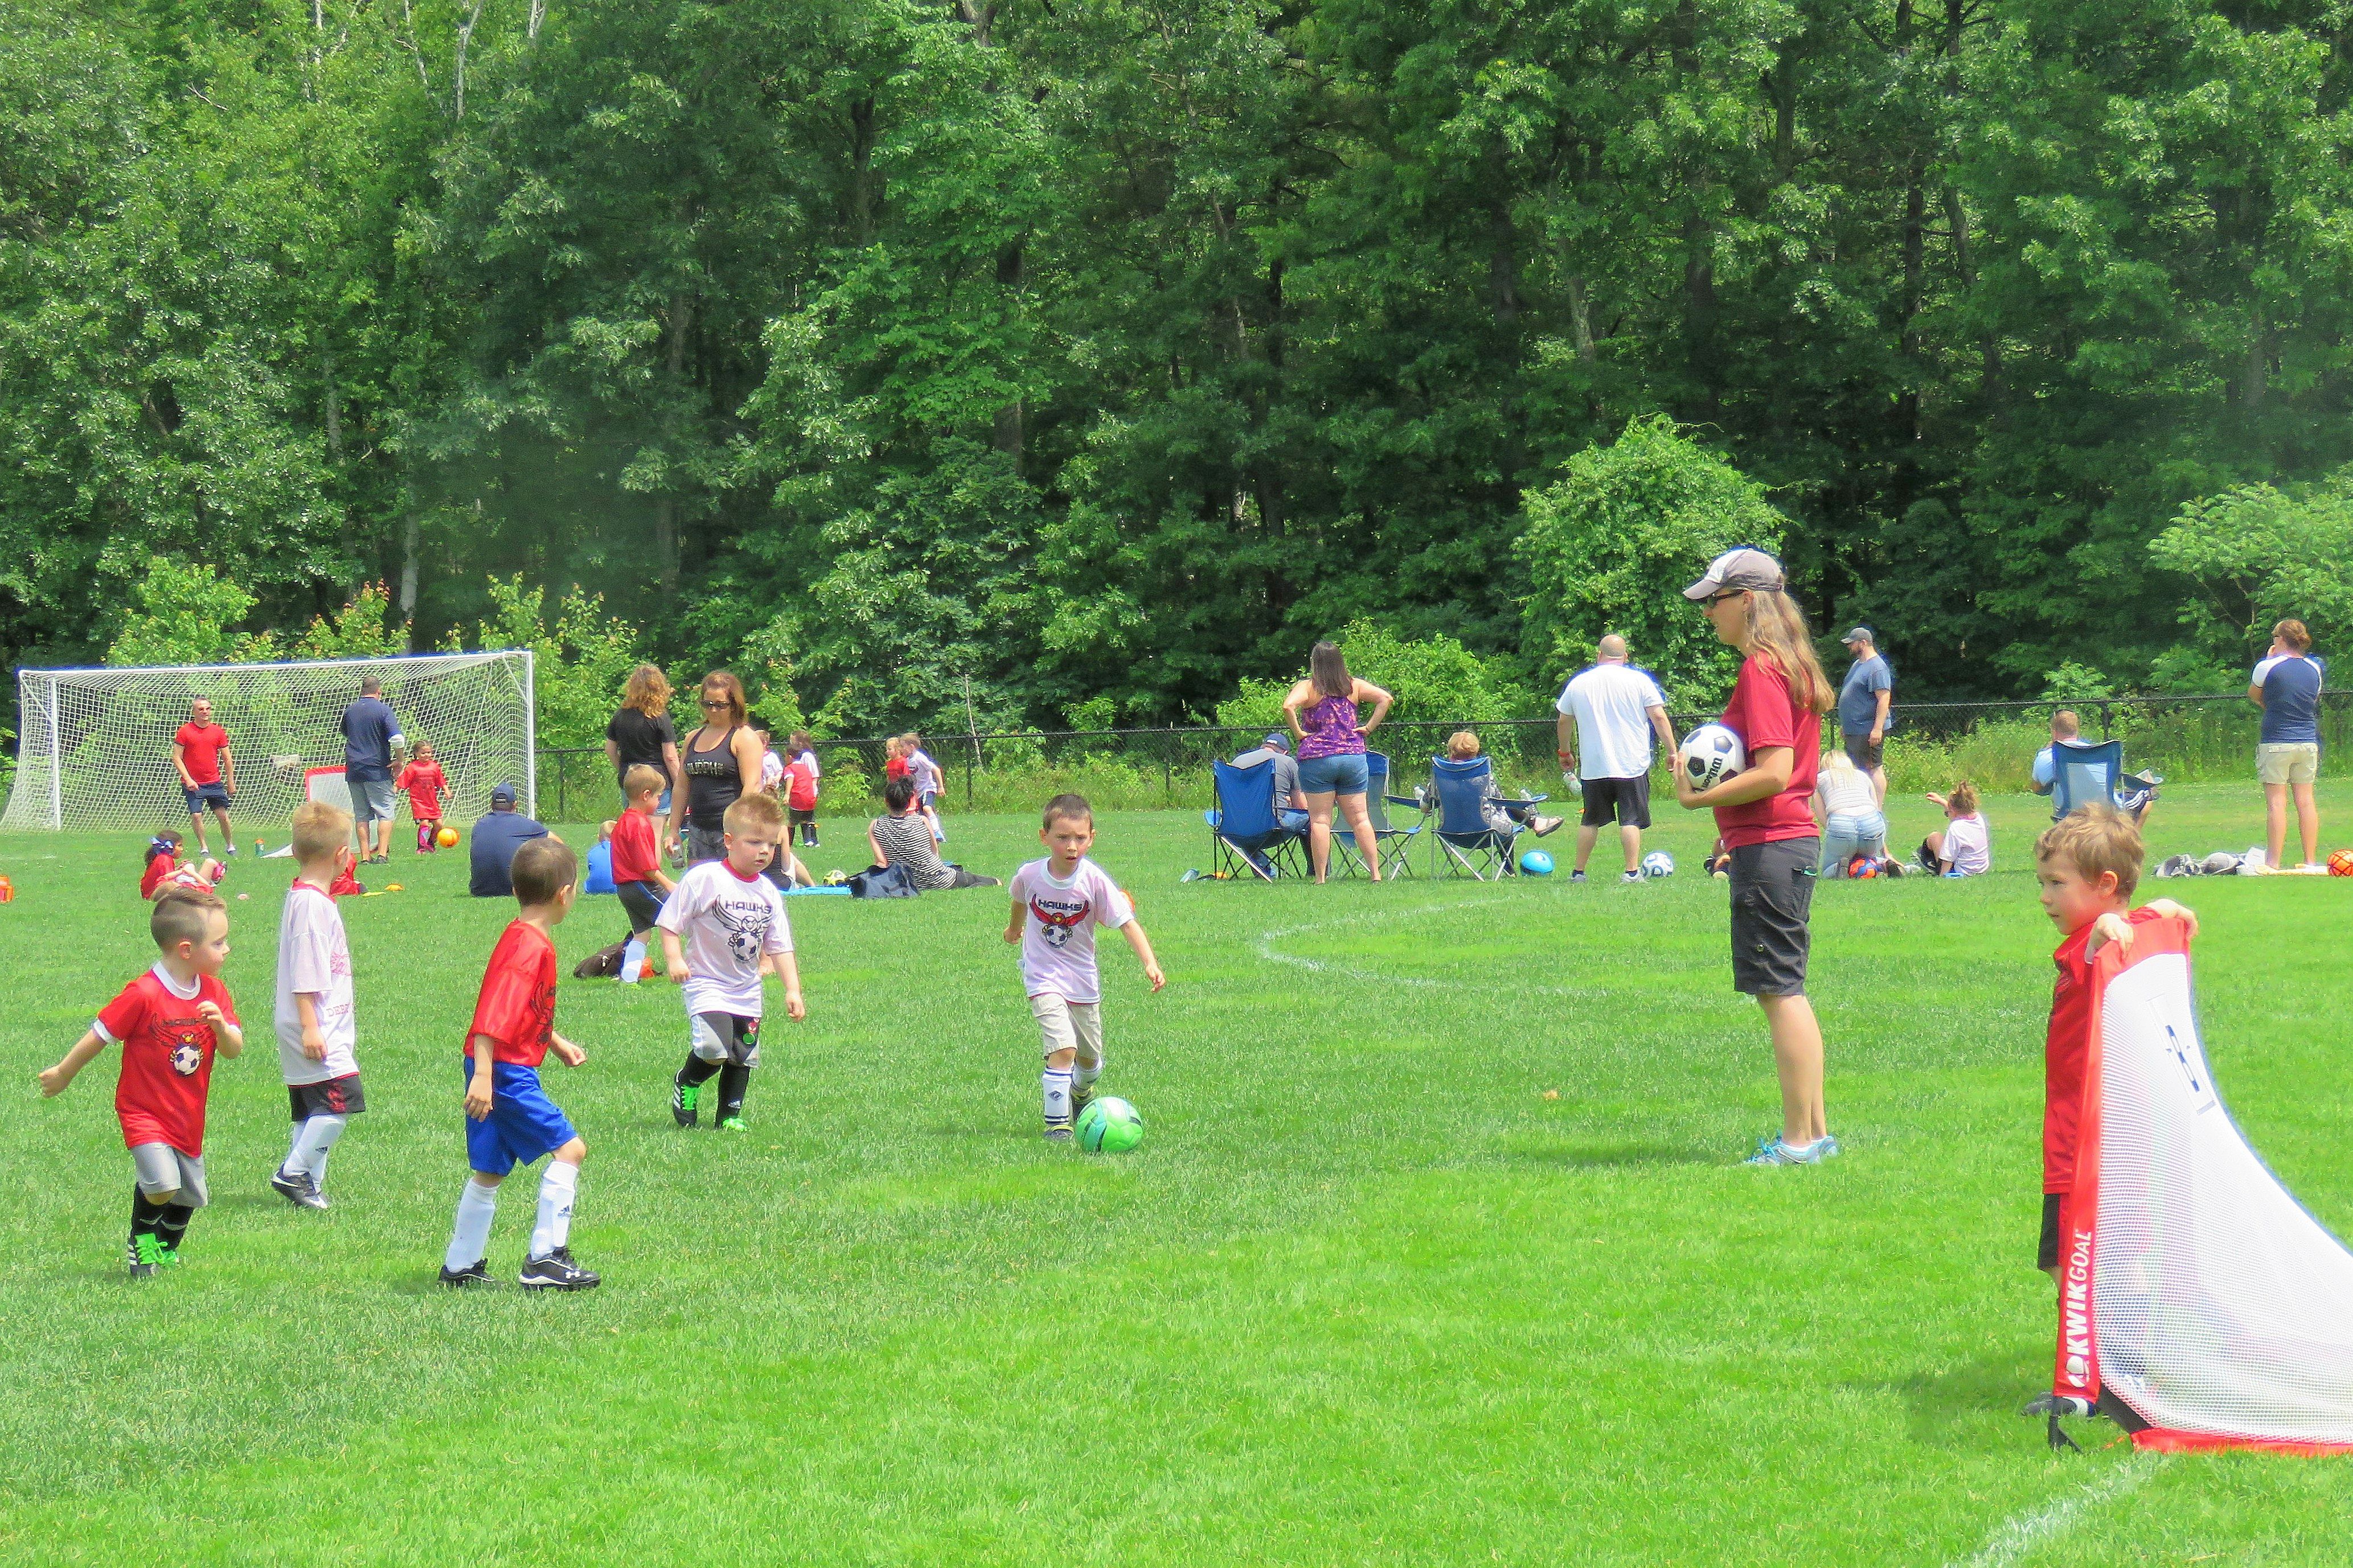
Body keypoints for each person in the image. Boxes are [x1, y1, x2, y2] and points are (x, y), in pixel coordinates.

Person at [1672, 547, 1839, 1166]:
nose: (1707, 613)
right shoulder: (1788, 666)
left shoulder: (1761, 669)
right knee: (1788, 989)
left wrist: (1697, 798)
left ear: (1746, 601)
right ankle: (1815, 1135)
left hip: (1770, 847)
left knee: (1780, 993)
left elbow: (1774, 772)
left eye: (1713, 601)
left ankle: (1797, 1143)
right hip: (1785, 844)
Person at [37, 888, 244, 1278]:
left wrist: (221, 1027)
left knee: (189, 1197)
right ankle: (141, 1241)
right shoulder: (144, 994)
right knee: (162, 1184)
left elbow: (234, 1050)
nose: (227, 949)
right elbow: (100, 1035)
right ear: (186, 949)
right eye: (219, 943)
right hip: (143, 1111)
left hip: (188, 1115)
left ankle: (164, 1250)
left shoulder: (214, 992)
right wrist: (64, 1072)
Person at [2031, 809, 2195, 1284]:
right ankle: (2125, 1325)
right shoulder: (2119, 937)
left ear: (2105, 884)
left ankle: (2106, 1333)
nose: (2044, 897)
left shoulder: (2095, 944)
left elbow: (2094, 961)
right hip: (2121, 1137)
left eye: (2057, 883)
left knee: (2072, 1266)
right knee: (2118, 1256)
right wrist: (2158, 910)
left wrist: (2109, 927)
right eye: (2042, 883)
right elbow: (2122, 930)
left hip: (2080, 1143)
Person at [439, 836, 600, 1291]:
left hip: (495, 1066)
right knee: (570, 1150)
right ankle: (545, 1260)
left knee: (491, 1170)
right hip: (504, 1073)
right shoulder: (531, 948)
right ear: (565, 894)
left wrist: (554, 1042)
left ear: (516, 891)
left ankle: (460, 1265)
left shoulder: (521, 936)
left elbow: (520, 1009)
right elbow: (493, 1012)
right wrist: (485, 1076)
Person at [1005, 794, 1165, 1140]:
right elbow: (1019, 900)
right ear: (1044, 837)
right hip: (1042, 975)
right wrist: (1015, 929)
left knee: (1090, 1062)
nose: (1072, 846)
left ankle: (1081, 1093)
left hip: (1082, 979)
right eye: (1062, 837)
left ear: (1092, 838)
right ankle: (1058, 1126)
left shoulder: (1094, 880)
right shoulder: (1030, 875)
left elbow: (1126, 923)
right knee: (1063, 1048)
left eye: (1080, 838)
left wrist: (1150, 963)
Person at [657, 793, 806, 1132]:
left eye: (771, 844)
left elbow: (781, 946)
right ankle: (688, 1081)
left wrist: (793, 990)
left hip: (747, 988)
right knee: (713, 1048)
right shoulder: (705, 879)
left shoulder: (768, 893)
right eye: (754, 842)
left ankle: (729, 1116)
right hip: (707, 982)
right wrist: (675, 959)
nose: (764, 851)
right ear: (729, 841)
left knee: (743, 1054)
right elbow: (670, 922)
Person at [268, 802, 364, 1213]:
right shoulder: (311, 905)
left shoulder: (307, 897)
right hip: (316, 1024)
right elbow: (306, 970)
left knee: (312, 1111)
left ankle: (310, 1185)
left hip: (312, 1022)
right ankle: (293, 1172)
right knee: (338, 1104)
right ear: (343, 855)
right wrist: (311, 1026)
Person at [1554, 634, 1676, 884]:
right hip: (1631, 764)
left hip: (1594, 765)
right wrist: (1672, 751)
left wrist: (1565, 752)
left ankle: (1579, 873)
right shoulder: (1639, 681)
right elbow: (1659, 717)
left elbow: (1564, 720)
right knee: (1630, 819)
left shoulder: (1579, 683)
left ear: (1599, 655)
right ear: (1626, 657)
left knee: (1590, 820)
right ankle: (1631, 873)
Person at [1282, 641, 1394, 883]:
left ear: (1315, 662)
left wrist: (1299, 733)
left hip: (1318, 759)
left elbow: (1288, 706)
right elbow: (1385, 698)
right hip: (1353, 757)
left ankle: (1321, 878)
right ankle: (1375, 873)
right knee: (1361, 818)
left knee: (1320, 820)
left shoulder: (1308, 687)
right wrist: (1368, 727)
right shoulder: (1354, 686)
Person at [2250, 618, 2325, 873]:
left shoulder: (2266, 666)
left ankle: (2273, 862)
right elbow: (2311, 699)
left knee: (2277, 803)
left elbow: (2255, 695)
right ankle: (2310, 861)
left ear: (2281, 639)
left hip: (2276, 741)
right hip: (2307, 741)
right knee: (2306, 801)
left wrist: (2269, 659)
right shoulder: (2314, 668)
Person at [669, 671, 765, 867]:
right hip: (698, 829)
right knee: (700, 882)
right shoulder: (692, 738)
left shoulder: (744, 737)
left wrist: (738, 828)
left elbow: (752, 787)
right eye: (708, 704)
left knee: (731, 883)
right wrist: (673, 830)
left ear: (734, 705)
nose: (713, 710)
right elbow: (681, 787)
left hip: (731, 832)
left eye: (721, 705)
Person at [868, 776, 1001, 889]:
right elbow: (935, 852)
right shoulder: (922, 821)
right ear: (909, 801)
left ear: (886, 801)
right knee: (988, 881)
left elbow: (881, 863)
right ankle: (994, 883)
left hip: (907, 884)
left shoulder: (876, 825)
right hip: (940, 879)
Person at [1434, 733, 1564, 837]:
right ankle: (1510, 862)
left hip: (1449, 832)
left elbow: (1427, 805)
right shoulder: (1481, 775)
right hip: (1484, 831)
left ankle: (1535, 822)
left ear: (1450, 751)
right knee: (1503, 816)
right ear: (1474, 752)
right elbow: (1499, 800)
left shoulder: (1440, 774)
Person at [339, 676, 407, 864]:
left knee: (361, 815)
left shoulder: (350, 711)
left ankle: (365, 857)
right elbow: (397, 739)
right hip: (377, 769)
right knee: (385, 812)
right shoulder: (383, 710)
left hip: (354, 769)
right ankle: (382, 855)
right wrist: (400, 760)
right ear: (379, 692)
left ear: (362, 691)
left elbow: (346, 733)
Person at [610, 765, 675, 965]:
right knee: (678, 916)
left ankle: (630, 976)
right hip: (641, 885)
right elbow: (647, 866)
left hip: (626, 889)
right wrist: (669, 885)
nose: (659, 802)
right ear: (646, 795)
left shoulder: (624, 820)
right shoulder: (638, 823)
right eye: (659, 797)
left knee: (642, 934)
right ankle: (691, 964)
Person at [605, 664, 683, 812]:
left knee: (634, 823)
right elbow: (670, 757)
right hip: (657, 782)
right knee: (653, 827)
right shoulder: (660, 717)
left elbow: (610, 749)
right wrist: (680, 786)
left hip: (630, 782)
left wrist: (625, 770)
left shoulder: (620, 715)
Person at [172, 696, 237, 859]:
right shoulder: (185, 731)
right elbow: (177, 757)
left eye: (208, 709)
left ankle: (230, 845)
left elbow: (228, 759)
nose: (205, 712)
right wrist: (188, 779)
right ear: (194, 712)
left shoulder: (218, 731)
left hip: (214, 782)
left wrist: (231, 782)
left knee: (222, 815)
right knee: (196, 815)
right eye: (201, 709)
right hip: (193, 784)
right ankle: (204, 847)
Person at [1836, 626, 1893, 802]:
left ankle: (1877, 808)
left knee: (1873, 768)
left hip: (1867, 729)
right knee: (1856, 770)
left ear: (1863, 643)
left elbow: (1884, 698)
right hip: (1855, 729)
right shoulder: (1858, 665)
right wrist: (1846, 725)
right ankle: (1862, 805)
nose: (1849, 647)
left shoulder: (1877, 667)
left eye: (1852, 643)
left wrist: (1877, 729)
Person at [1813, 748, 1887, 877]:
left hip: (1841, 824)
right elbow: (1876, 811)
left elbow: (1823, 818)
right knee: (1869, 858)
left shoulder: (1820, 779)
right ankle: (1884, 865)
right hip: (1872, 823)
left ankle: (1839, 868)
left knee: (1827, 870)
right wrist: (1885, 852)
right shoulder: (1863, 776)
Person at [468, 783, 550, 898]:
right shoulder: (528, 825)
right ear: (515, 804)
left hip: (481, 890)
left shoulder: (479, 826)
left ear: (492, 804)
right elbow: (560, 845)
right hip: (516, 889)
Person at [1228, 730, 1309, 833]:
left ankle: (1249, 846)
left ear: (1263, 746)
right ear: (1285, 753)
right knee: (1313, 816)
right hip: (1272, 827)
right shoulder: (1287, 761)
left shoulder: (1237, 761)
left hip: (1235, 826)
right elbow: (1301, 807)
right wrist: (1289, 804)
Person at [1919, 782, 1991, 876]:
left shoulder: (1956, 828)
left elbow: (1948, 857)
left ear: (1953, 810)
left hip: (1961, 872)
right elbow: (1959, 812)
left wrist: (1943, 875)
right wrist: (1942, 802)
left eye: (1947, 813)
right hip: (1980, 869)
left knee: (1934, 837)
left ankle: (1924, 864)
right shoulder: (1978, 818)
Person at [395, 740, 449, 855]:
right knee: (424, 823)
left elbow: (441, 780)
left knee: (439, 824)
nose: (426, 755)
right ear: (416, 753)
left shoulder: (434, 766)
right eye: (423, 753)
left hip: (432, 801)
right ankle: (421, 847)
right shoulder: (413, 767)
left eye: (429, 752)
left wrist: (446, 790)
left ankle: (431, 843)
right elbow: (404, 780)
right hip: (419, 801)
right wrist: (396, 789)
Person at [142, 830, 223, 899]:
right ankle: (216, 875)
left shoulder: (162, 857)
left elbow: (165, 877)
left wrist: (179, 870)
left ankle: (216, 873)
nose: (182, 849)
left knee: (189, 865)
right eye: (179, 846)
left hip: (157, 892)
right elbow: (169, 884)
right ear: (169, 847)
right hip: (158, 894)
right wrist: (186, 872)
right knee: (205, 863)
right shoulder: (165, 859)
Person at [905, 733, 948, 843]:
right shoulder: (907, 760)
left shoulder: (920, 758)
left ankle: (937, 832)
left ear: (911, 747)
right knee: (922, 816)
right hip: (918, 792)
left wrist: (941, 787)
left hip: (928, 788)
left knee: (927, 808)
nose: (901, 749)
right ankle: (929, 837)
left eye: (903, 746)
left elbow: (936, 770)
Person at [784, 730, 821, 849]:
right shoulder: (802, 757)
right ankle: (810, 841)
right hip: (806, 792)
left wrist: (812, 791)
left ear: (800, 743)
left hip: (806, 792)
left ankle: (812, 840)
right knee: (807, 819)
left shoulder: (806, 756)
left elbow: (814, 775)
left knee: (802, 819)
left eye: (792, 740)